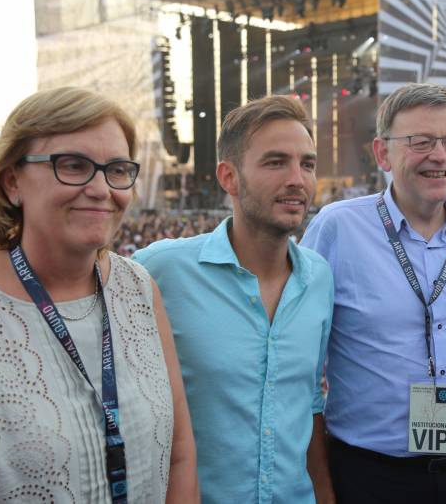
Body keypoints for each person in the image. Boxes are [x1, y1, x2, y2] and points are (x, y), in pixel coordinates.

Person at [302, 83, 446, 504]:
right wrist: (319, 481)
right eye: (421, 142)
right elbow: (300, 364)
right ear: (381, 154)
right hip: (369, 478)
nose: (440, 156)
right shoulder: (337, 229)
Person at [0, 87, 198, 503]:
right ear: (13, 181)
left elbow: (180, 454)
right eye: (73, 165)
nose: (102, 189)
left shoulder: (138, 290)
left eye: (117, 169)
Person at [133, 95, 334, 504]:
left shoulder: (320, 279)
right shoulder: (160, 270)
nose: (297, 179)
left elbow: (309, 402)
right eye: (276, 162)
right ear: (229, 177)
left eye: (307, 164)